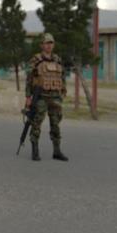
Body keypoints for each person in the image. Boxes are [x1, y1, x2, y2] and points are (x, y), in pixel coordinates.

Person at [25, 33, 69, 162]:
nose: (49, 45)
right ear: (42, 45)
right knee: (36, 123)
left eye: (51, 43)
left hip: (55, 96)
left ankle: (57, 151)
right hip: (41, 96)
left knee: (56, 124)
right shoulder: (36, 60)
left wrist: (63, 90)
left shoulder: (57, 59)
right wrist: (28, 96)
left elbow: (62, 76)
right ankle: (35, 150)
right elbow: (29, 79)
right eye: (47, 43)